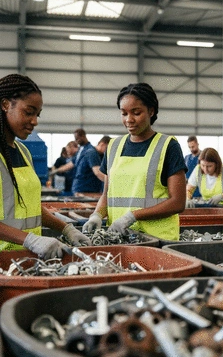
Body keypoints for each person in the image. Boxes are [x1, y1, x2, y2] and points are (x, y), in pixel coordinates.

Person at [0, 73, 91, 259]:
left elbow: (31, 207)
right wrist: (30, 240)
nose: (35, 121)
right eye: (28, 112)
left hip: (29, 261)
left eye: (37, 114)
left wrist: (66, 228)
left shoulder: (23, 152)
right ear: (5, 105)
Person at [82, 82, 187, 241]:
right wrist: (97, 215)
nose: (129, 119)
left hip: (157, 240)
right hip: (120, 238)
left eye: (136, 113)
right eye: (124, 113)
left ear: (151, 111)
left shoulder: (168, 146)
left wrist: (132, 216)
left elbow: (178, 203)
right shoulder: (114, 146)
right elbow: (107, 194)